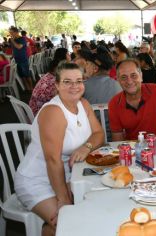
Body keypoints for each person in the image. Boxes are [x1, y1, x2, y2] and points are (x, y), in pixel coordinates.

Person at [14, 62, 105, 236]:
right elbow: (53, 160)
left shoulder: (83, 104)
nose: (74, 86)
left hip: (70, 173)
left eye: (79, 81)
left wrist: (85, 148)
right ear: (56, 85)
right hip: (37, 180)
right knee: (71, 224)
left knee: (95, 210)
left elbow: (99, 134)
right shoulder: (54, 111)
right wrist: (63, 199)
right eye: (67, 82)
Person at [108, 59, 156, 141]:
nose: (129, 81)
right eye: (124, 77)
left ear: (141, 76)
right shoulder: (114, 103)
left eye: (133, 75)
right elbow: (117, 137)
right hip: (134, 148)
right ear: (118, 80)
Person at [29, 48, 71, 116]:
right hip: (40, 114)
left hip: (35, 109)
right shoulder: (54, 82)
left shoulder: (49, 76)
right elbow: (63, 101)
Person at [8, 26, 32, 90]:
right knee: (22, 75)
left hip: (23, 59)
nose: (11, 34)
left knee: (27, 74)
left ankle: (31, 88)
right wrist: (12, 56)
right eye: (10, 33)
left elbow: (19, 47)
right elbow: (14, 49)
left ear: (16, 32)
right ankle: (27, 88)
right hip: (17, 60)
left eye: (12, 32)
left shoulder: (22, 39)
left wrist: (12, 41)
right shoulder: (14, 40)